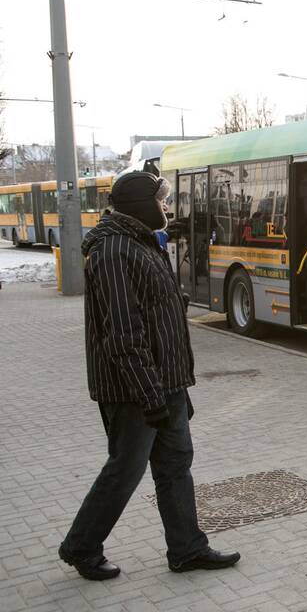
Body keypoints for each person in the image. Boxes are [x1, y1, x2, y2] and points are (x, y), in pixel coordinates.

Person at [58, 171, 240, 581]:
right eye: (161, 201)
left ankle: (187, 548)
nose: (167, 208)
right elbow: (124, 336)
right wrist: (151, 396)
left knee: (175, 465)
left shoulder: (141, 244)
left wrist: (174, 387)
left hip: (166, 383)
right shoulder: (112, 252)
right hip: (134, 390)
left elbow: (153, 308)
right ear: (142, 207)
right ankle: (81, 547)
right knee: (126, 468)